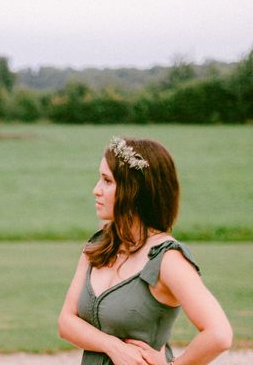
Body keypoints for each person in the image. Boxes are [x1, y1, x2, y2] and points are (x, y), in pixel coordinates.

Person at [58, 137, 232, 365]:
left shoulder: (167, 259)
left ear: (134, 191)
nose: (96, 190)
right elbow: (66, 322)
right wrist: (113, 346)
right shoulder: (100, 245)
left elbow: (219, 334)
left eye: (107, 181)